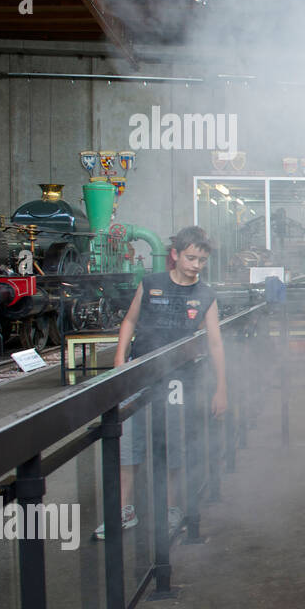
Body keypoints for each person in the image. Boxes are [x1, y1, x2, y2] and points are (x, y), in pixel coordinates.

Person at [94, 226, 227, 539]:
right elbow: (129, 320)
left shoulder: (206, 295)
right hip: (140, 374)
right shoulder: (151, 284)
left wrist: (222, 388)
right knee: (129, 442)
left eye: (202, 260)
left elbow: (216, 343)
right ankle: (124, 510)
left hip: (180, 380)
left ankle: (171, 508)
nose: (196, 265)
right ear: (175, 254)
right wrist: (119, 364)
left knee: (173, 443)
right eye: (191, 257)